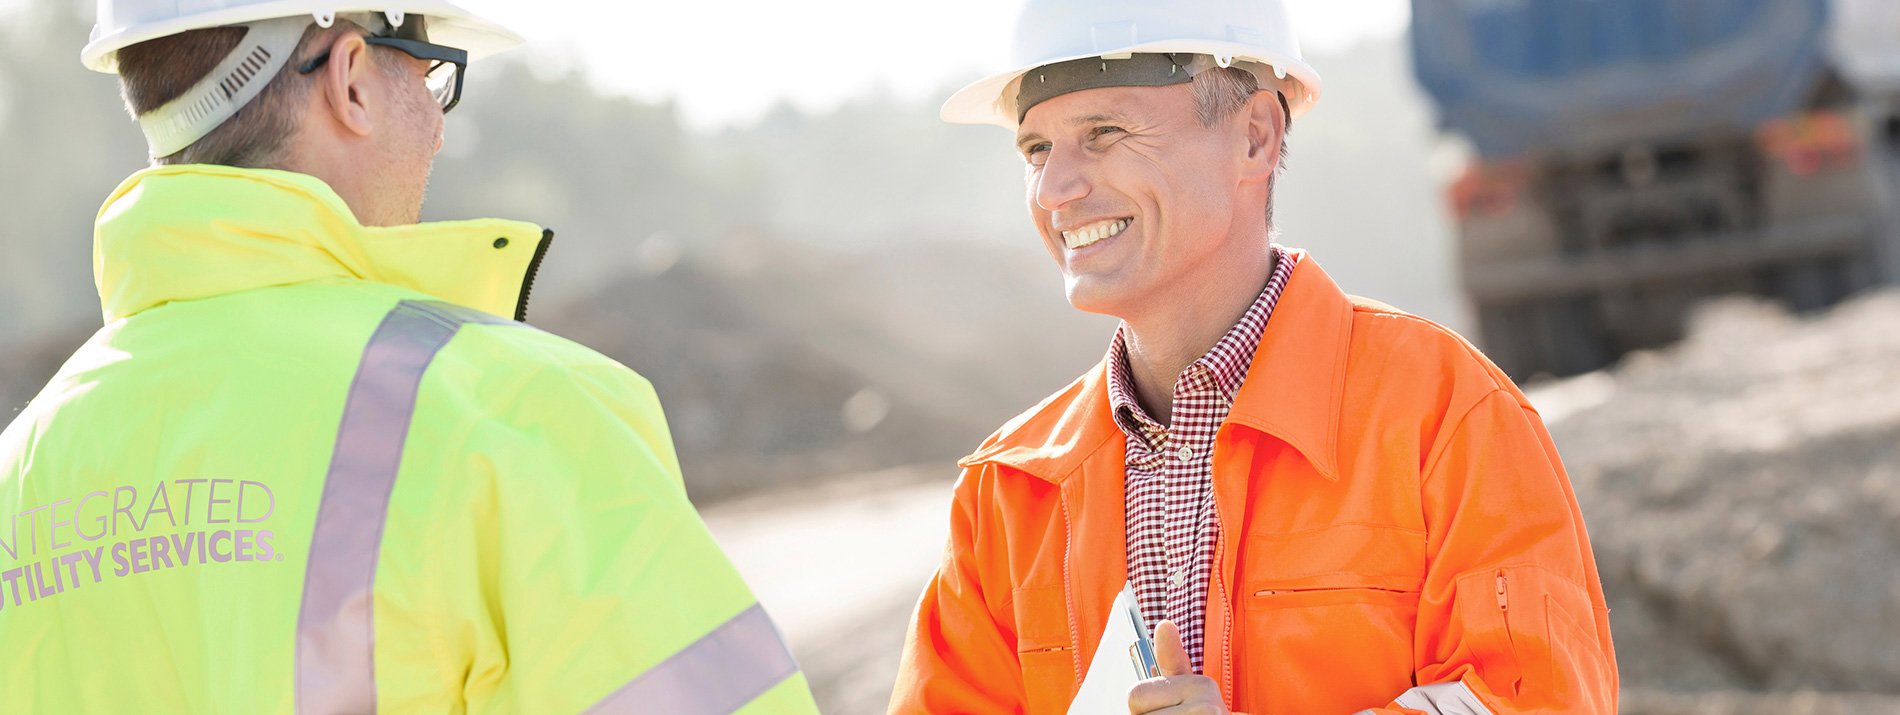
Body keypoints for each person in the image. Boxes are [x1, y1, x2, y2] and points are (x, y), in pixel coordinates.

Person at [0, 1, 819, 712]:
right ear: (350, 76)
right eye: (433, 75)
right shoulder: (513, 415)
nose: (434, 128)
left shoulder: (21, 472)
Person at [890, 0, 1617, 713]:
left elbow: (1541, 698)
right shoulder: (1007, 495)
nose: (1053, 189)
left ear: (1256, 137)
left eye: (1103, 132)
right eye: (1035, 149)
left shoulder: (1444, 417)